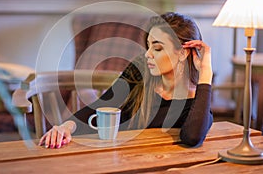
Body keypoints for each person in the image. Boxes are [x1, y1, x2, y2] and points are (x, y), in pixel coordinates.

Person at [39, 12, 213, 149]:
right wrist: (66, 127)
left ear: (183, 53)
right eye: (149, 45)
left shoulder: (197, 101)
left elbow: (193, 137)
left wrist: (206, 73)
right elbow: (103, 105)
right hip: (118, 158)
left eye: (158, 48)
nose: (148, 54)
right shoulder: (140, 69)